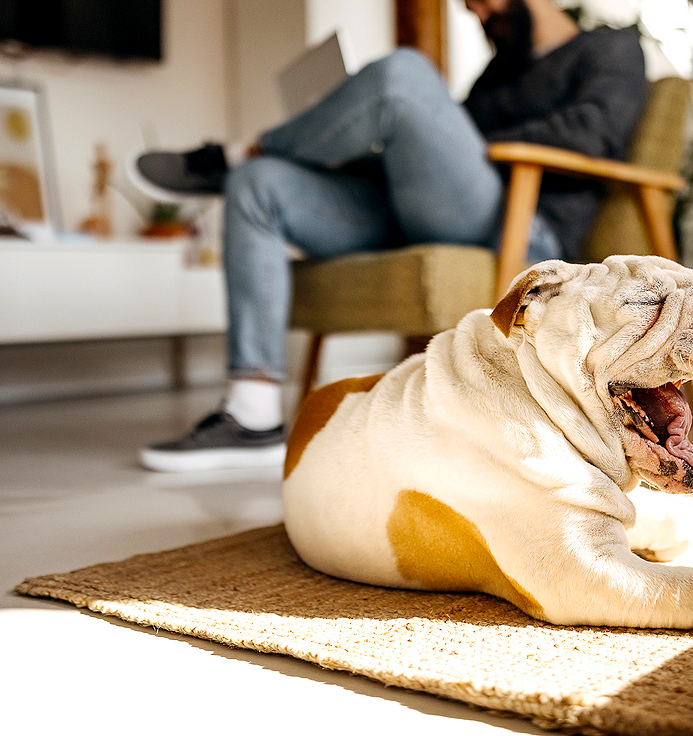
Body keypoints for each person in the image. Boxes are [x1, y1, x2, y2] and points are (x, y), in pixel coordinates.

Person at [137, 0, 647, 472]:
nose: (476, 11)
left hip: (523, 223)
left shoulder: (610, 47)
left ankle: (239, 152)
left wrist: (470, 144)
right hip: (427, 209)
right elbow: (441, 141)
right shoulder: (500, 71)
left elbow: (595, 133)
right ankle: (253, 414)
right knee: (258, 185)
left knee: (403, 75)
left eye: (480, 0)